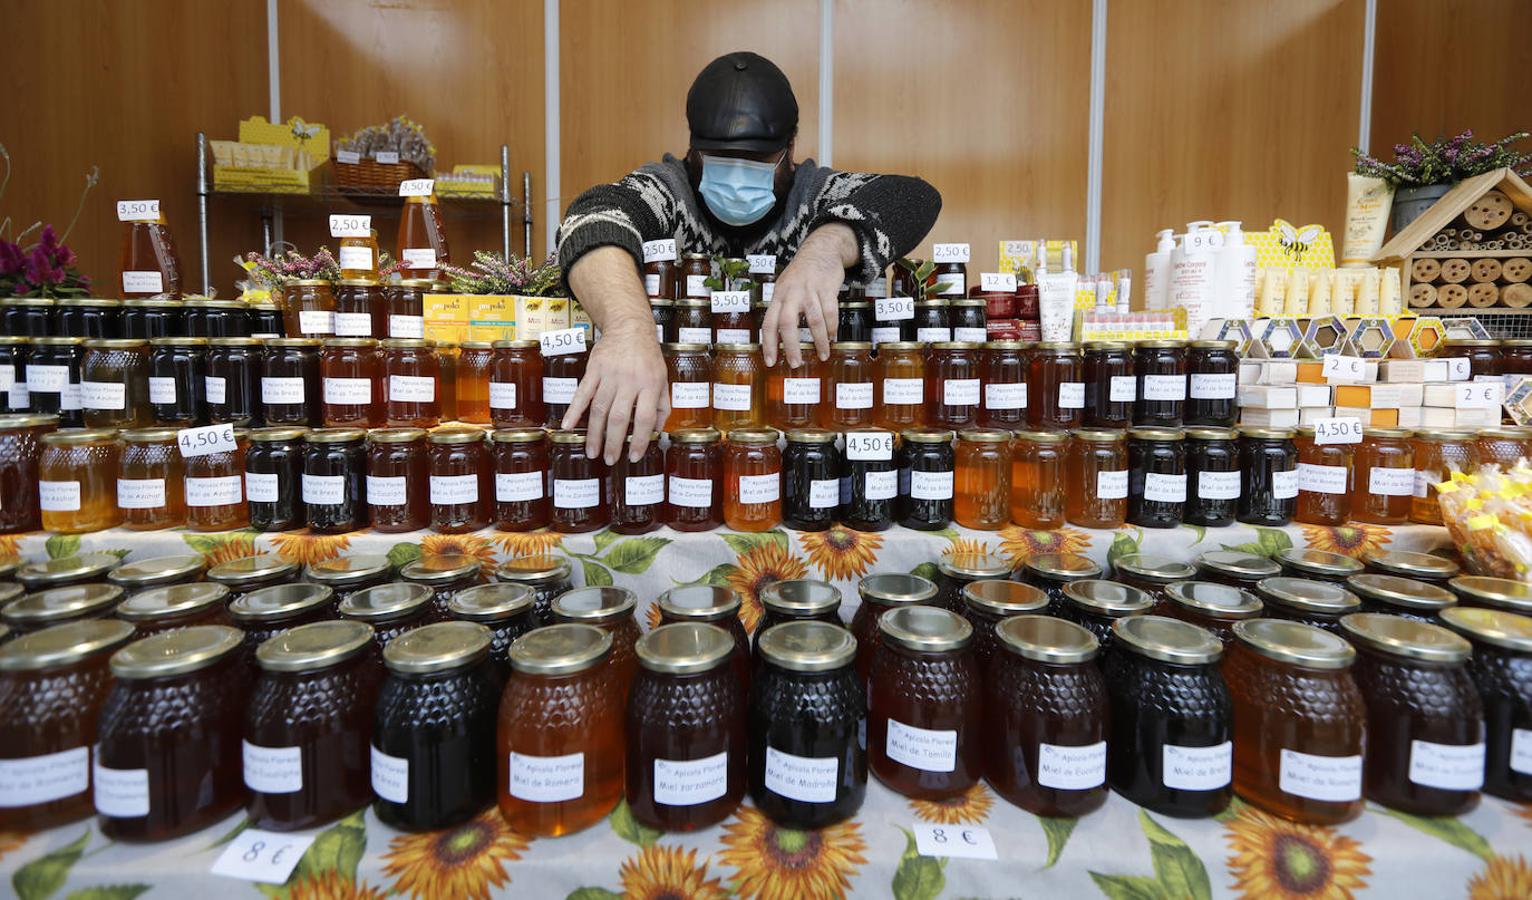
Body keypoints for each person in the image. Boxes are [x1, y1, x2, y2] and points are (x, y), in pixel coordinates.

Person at [555, 50, 942, 465]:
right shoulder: (668, 192)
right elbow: (592, 216)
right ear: (694, 149)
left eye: (757, 161)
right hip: (675, 437)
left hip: (801, 437)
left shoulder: (813, 195)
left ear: (790, 147)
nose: (738, 176)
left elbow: (913, 197)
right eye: (721, 161)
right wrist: (627, 329)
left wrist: (826, 247)